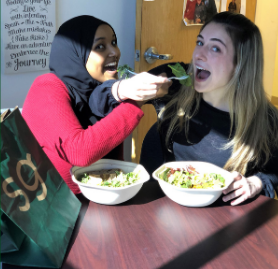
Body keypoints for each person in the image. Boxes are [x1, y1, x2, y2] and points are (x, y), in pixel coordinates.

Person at [22, 15, 171, 194]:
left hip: (101, 198)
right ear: (75, 51)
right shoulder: (46, 87)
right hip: (56, 207)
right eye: (100, 46)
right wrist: (136, 101)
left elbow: (112, 164)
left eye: (114, 42)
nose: (115, 52)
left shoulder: (103, 91)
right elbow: (80, 152)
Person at [141, 12, 278, 205]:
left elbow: (274, 172)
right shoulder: (175, 81)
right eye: (199, 43)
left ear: (240, 64)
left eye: (215, 48)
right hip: (163, 209)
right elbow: (108, 98)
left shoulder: (268, 120)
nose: (199, 54)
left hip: (224, 221)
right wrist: (123, 89)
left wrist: (257, 181)